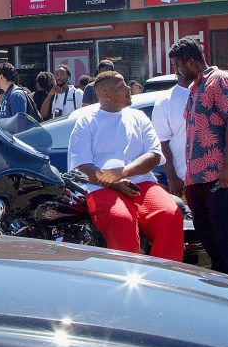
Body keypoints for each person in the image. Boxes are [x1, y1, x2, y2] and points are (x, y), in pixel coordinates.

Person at [69, 70, 184, 260]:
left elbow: (155, 155)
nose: (129, 89)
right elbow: (81, 167)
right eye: (122, 87)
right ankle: (128, 280)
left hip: (142, 183)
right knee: (120, 220)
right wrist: (114, 183)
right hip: (100, 186)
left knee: (170, 214)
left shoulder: (138, 117)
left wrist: (123, 172)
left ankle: (165, 280)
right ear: (106, 94)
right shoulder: (87, 121)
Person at [173, 38, 228, 279]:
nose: (176, 72)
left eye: (178, 66)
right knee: (210, 240)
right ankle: (225, 296)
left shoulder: (221, 80)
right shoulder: (194, 88)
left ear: (192, 62)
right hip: (197, 179)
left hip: (221, 177)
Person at [151, 57, 196, 197]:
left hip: (214, 176)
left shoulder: (209, 92)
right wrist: (172, 178)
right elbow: (162, 143)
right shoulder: (165, 100)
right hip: (184, 181)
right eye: (179, 65)